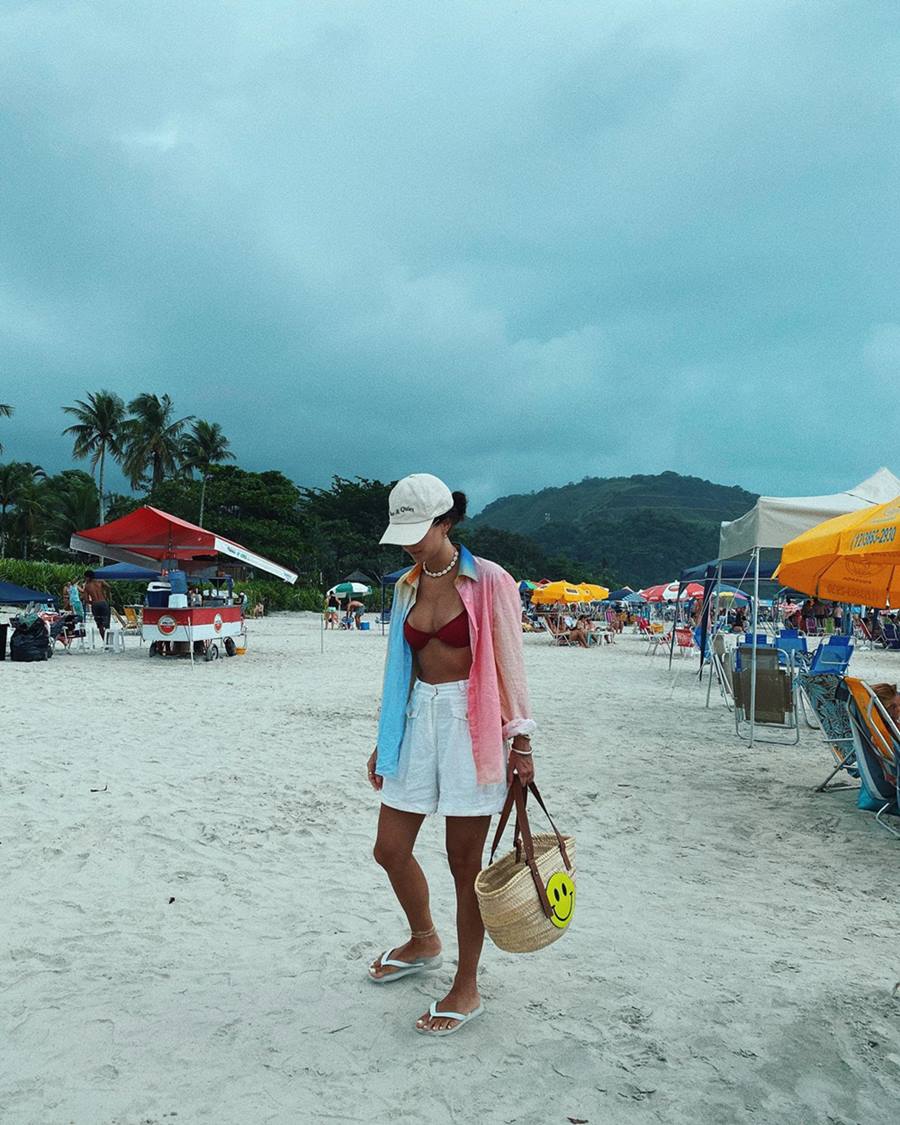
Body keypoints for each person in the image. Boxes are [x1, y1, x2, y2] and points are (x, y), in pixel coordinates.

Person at [366, 473, 535, 1036]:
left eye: (421, 530)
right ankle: (423, 938)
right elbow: (399, 670)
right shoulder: (405, 586)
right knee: (390, 848)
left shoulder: (489, 581)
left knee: (465, 864)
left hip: (474, 721)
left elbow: (510, 663)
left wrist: (522, 742)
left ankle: (467, 984)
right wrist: (383, 740)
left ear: (447, 521)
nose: (412, 542)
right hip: (417, 720)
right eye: (404, 532)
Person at [82, 570, 111, 638]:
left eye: (85, 577)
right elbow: (109, 587)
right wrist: (107, 597)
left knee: (100, 625)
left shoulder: (87, 586)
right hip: (103, 603)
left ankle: (105, 641)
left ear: (88, 577)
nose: (85, 579)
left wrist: (92, 603)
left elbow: (86, 600)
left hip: (95, 604)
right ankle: (108, 641)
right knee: (107, 624)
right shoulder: (100, 581)